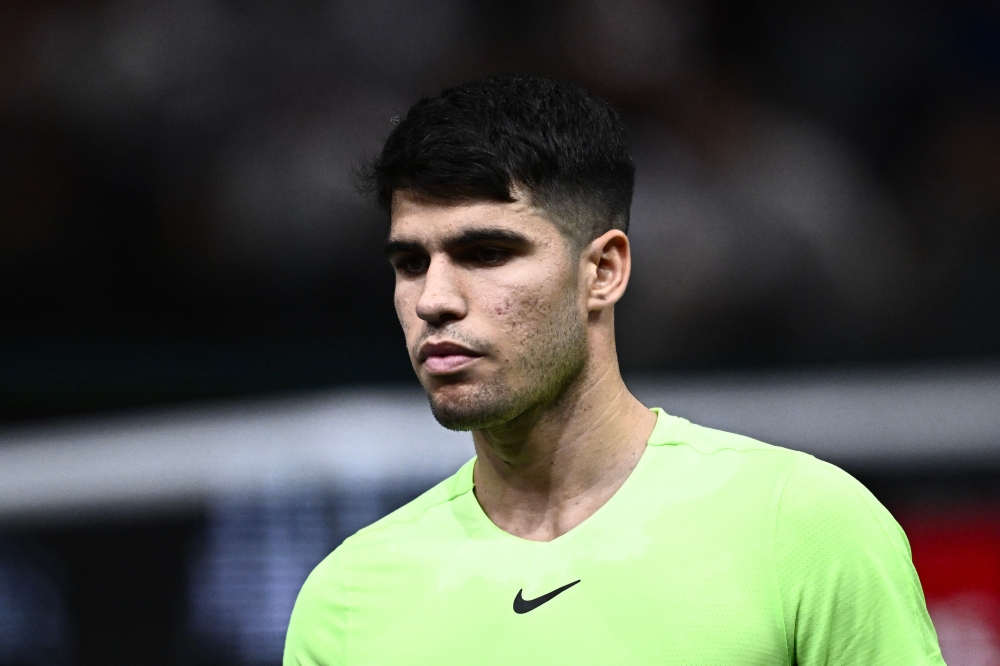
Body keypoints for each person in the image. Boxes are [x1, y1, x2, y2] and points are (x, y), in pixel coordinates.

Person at [283, 74, 944, 665]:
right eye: (410, 263)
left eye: (485, 252)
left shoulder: (803, 526)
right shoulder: (346, 601)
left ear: (603, 271)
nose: (434, 299)